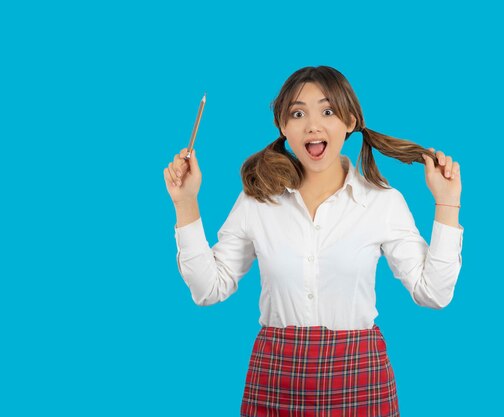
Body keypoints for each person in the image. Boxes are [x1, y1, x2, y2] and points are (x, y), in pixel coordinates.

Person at [163, 65, 464, 416]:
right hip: (274, 380)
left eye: (328, 111)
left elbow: (434, 292)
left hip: (359, 379)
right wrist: (185, 203)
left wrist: (447, 202)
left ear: (349, 121)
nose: (313, 125)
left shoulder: (382, 202)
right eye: (298, 113)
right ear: (283, 126)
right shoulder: (257, 201)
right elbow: (208, 289)